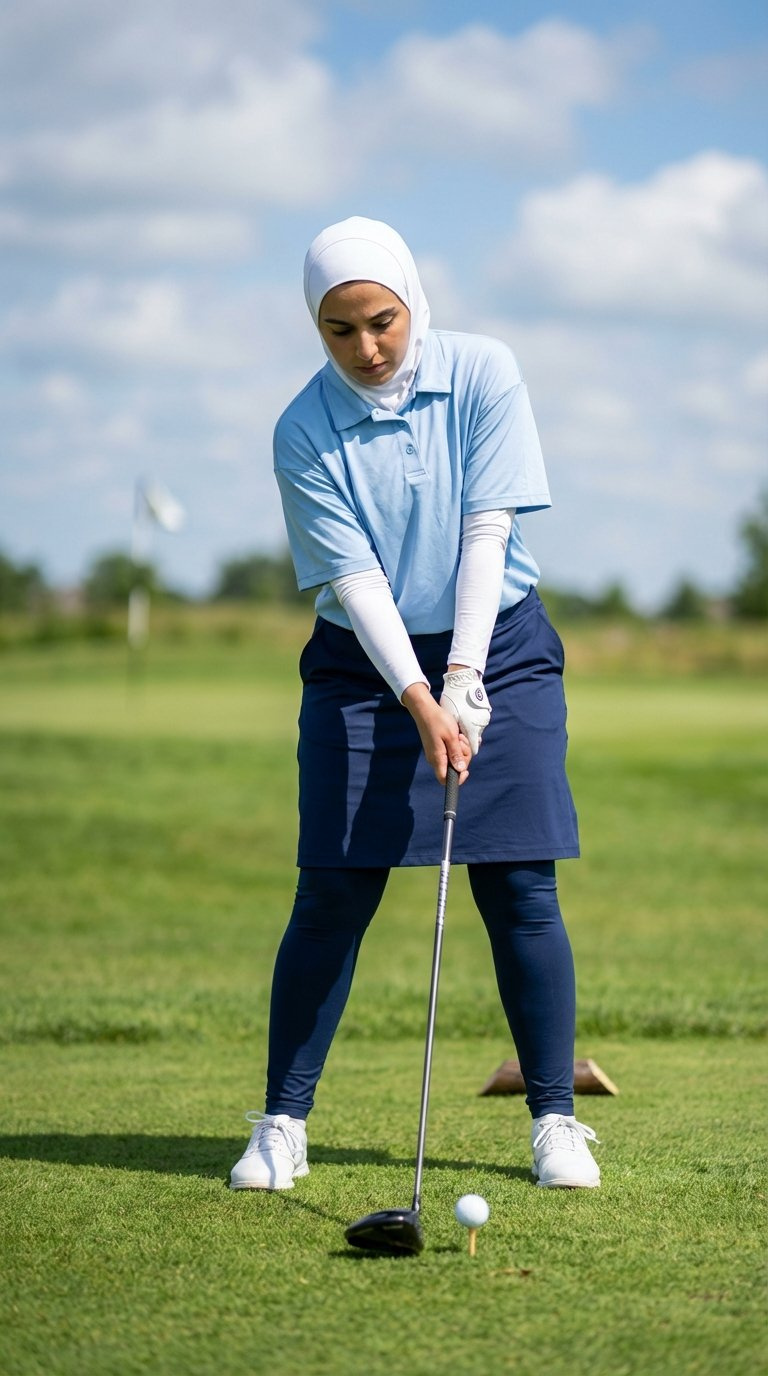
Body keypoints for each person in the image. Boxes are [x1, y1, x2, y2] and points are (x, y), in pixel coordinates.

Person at [230, 216, 600, 1193]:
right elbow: (356, 583)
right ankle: (281, 1123)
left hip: (503, 648)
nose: (368, 347)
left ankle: (556, 1120)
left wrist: (465, 680)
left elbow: (488, 528)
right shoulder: (302, 427)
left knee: (519, 880)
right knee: (335, 888)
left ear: (412, 302)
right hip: (364, 665)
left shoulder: (484, 372)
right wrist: (420, 697)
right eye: (340, 330)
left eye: (383, 321)